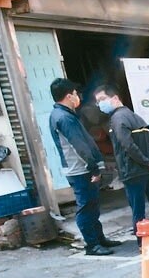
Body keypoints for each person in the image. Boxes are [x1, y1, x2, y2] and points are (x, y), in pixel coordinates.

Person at [95, 84, 149, 254]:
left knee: (138, 210)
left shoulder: (118, 120)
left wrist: (147, 163)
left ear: (115, 98)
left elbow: (128, 146)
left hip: (134, 172)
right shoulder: (136, 117)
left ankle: (143, 245)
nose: (99, 105)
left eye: (101, 100)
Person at [49, 78, 122, 255]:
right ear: (68, 96)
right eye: (75, 93)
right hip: (80, 170)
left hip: (81, 168)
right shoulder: (64, 118)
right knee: (86, 207)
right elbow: (79, 146)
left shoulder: (65, 114)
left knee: (92, 205)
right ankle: (92, 245)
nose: (77, 96)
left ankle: (99, 239)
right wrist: (94, 168)